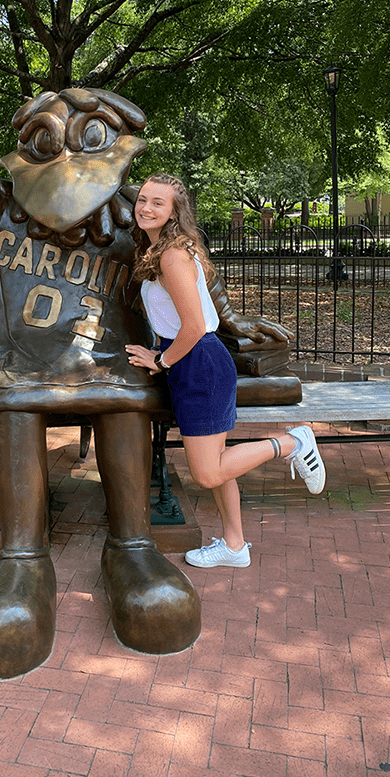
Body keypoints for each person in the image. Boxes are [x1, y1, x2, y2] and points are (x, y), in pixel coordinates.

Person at [126, 173, 326, 569]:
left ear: (173, 212)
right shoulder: (163, 248)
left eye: (157, 203)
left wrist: (161, 361)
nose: (146, 208)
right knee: (217, 464)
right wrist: (164, 352)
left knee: (207, 472)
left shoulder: (171, 255)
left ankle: (293, 443)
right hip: (193, 360)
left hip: (199, 362)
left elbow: (197, 325)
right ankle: (234, 546)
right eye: (143, 199)